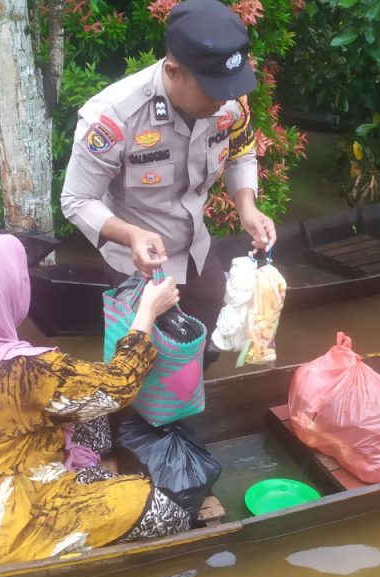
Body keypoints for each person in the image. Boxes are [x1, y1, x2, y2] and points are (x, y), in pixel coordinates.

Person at [0, 230, 191, 568]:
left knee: (90, 411)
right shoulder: (24, 370)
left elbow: (88, 390)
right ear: (0, 289)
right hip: (8, 526)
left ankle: (95, 473)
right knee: (165, 510)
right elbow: (117, 386)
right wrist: (146, 313)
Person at [60, 0, 277, 348]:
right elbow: (75, 199)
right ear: (173, 70)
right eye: (213, 90)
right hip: (139, 266)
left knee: (207, 344)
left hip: (197, 251)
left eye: (229, 89)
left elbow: (241, 152)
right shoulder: (115, 117)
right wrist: (130, 234)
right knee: (142, 361)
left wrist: (247, 207)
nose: (225, 101)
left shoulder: (229, 101)